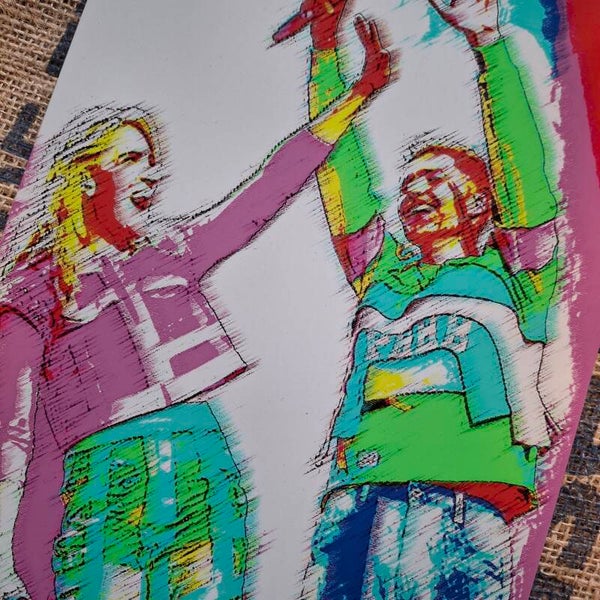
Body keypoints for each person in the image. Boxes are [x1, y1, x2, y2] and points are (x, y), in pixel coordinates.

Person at [0, 16, 391, 600]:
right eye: (132, 158)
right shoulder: (35, 286)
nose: (153, 173)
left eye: (152, 159)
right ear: (84, 177)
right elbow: (14, 429)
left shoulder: (174, 248)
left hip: (202, 460)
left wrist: (356, 96)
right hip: (104, 478)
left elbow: (270, 186)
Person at [275, 0, 561, 597]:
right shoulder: (382, 277)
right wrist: (325, 53)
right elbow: (342, 169)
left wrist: (489, 44)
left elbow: (525, 175)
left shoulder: (516, 273)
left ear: (479, 204)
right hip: (354, 506)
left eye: (434, 179)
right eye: (406, 186)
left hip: (462, 506)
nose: (413, 193)